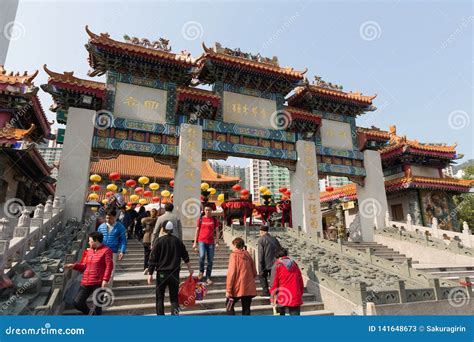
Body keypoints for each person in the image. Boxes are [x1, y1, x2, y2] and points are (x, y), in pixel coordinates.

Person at [147, 221, 193, 315]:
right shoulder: (177, 241)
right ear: (172, 230)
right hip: (174, 274)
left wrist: (150, 273)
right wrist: (190, 268)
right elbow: (185, 255)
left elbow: (153, 258)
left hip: (162, 274)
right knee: (174, 298)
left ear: (163, 229)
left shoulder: (159, 241)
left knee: (160, 298)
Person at [64, 232, 113, 315]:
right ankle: (92, 314)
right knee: (77, 303)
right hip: (86, 281)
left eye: (90, 240)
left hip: (98, 282)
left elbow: (109, 266)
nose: (88, 242)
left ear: (96, 240)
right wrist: (73, 266)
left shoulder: (106, 251)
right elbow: (84, 266)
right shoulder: (89, 251)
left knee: (97, 305)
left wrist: (105, 280)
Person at [225, 237, 257, 315]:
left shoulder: (234, 255)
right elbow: (254, 272)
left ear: (235, 245)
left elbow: (231, 273)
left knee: (229, 305)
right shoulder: (248, 255)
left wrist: (228, 290)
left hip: (237, 287)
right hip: (248, 287)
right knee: (246, 309)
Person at [270, 248, 304, 316]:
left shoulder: (277, 265)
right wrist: (300, 294)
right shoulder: (295, 264)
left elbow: (274, 284)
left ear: (277, 257)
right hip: (295, 296)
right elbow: (300, 282)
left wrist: (272, 299)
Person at [97, 208, 127, 287]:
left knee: (110, 271)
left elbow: (123, 240)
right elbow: (97, 240)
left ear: (114, 217)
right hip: (101, 251)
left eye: (110, 218)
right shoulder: (101, 227)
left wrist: (122, 251)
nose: (108, 219)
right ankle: (101, 288)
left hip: (112, 252)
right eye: (106, 218)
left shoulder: (120, 227)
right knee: (100, 270)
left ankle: (107, 292)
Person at [192, 204, 220, 285]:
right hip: (202, 241)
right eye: (206, 210)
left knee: (210, 260)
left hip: (211, 242)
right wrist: (195, 242)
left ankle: (208, 277)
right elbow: (197, 231)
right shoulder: (200, 219)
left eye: (209, 210)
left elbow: (217, 232)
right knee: (202, 256)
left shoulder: (214, 220)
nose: (207, 211)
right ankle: (201, 271)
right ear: (204, 211)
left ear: (211, 211)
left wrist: (217, 242)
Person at [257, 225, 281, 297]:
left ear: (262, 231)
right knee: (273, 278)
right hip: (275, 262)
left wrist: (260, 264)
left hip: (265, 263)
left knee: (262, 276)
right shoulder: (275, 239)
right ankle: (275, 292)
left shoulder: (261, 239)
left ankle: (265, 292)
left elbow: (261, 253)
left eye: (260, 232)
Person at [141, 208, 159, 274]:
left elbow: (142, 220)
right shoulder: (157, 220)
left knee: (146, 255)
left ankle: (146, 268)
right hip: (154, 239)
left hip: (146, 238)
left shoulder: (146, 220)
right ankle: (153, 268)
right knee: (154, 255)